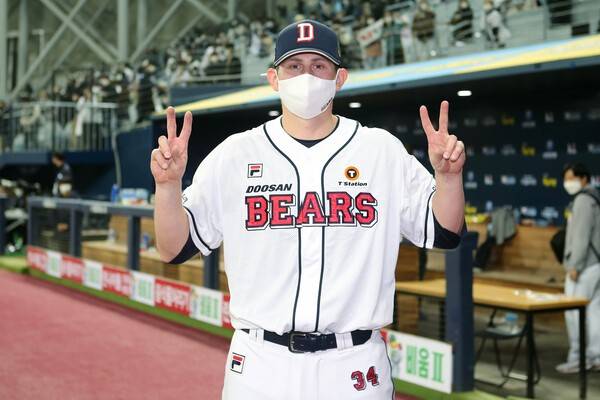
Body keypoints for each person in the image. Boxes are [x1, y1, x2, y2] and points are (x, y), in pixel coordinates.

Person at [151, 19, 466, 399]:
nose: (306, 76)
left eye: (319, 66)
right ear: (274, 78)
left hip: (352, 363)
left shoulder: (380, 150)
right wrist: (167, 187)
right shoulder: (235, 154)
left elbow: (444, 231)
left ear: (339, 78)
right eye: (294, 66)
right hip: (260, 360)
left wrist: (448, 178)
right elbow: (173, 248)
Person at [556, 163, 600, 373]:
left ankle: (578, 358)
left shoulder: (583, 200)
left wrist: (575, 265)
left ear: (583, 179)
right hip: (595, 264)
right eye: (565, 179)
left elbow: (581, 236)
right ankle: (595, 356)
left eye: (571, 178)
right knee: (594, 313)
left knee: (574, 313)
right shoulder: (594, 197)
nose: (567, 183)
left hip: (584, 266)